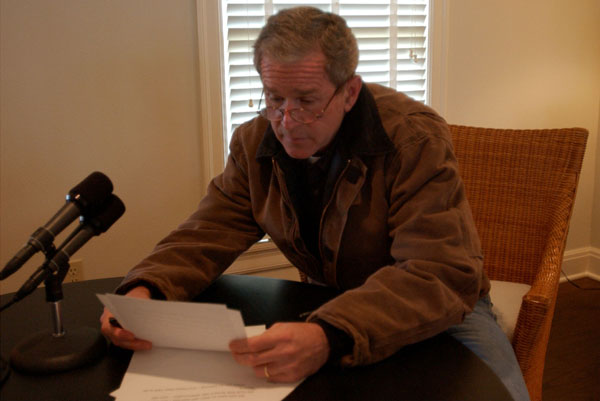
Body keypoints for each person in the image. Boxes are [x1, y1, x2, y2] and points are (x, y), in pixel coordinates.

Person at [100, 6, 529, 400]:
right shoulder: (254, 143)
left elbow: (440, 272)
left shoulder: (413, 139)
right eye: (274, 98)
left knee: (502, 395)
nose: (286, 122)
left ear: (349, 91)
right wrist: (147, 288)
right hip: (332, 307)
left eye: (306, 101)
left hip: (441, 308)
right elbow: (208, 230)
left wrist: (329, 332)